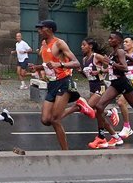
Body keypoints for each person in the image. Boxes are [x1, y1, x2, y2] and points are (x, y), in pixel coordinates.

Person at [27, 20, 92, 150]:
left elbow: (76, 63)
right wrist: (37, 67)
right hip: (51, 84)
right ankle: (77, 107)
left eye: (41, 28)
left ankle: (65, 152)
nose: (39, 31)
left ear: (50, 29)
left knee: (55, 120)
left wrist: (60, 64)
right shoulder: (44, 45)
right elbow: (48, 65)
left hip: (64, 82)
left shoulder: (59, 43)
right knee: (46, 120)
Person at [72, 38, 123, 149]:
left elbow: (111, 66)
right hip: (92, 87)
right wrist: (81, 72)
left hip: (100, 86)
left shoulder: (97, 56)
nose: (81, 47)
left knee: (88, 108)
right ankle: (116, 136)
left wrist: (100, 71)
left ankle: (110, 113)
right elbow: (88, 76)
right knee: (97, 115)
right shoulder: (85, 59)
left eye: (83, 45)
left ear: (90, 46)